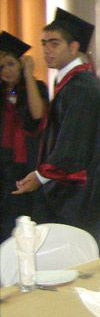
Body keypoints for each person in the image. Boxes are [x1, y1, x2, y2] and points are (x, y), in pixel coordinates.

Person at [13, 8, 100, 244]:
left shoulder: (81, 88)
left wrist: (41, 175)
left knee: (76, 250)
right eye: (44, 43)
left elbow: (73, 143)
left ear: (73, 47)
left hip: (79, 191)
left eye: (54, 43)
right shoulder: (69, 82)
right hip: (72, 186)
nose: (46, 50)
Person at [0, 31, 48, 242]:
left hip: (28, 160)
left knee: (29, 218)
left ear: (21, 63)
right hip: (4, 163)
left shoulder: (37, 87)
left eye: (11, 64)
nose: (6, 70)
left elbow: (37, 114)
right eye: (1, 67)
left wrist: (28, 76)